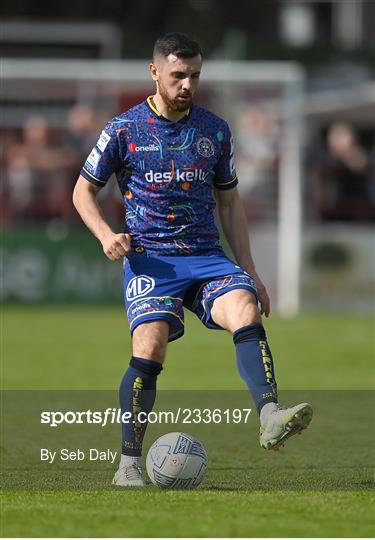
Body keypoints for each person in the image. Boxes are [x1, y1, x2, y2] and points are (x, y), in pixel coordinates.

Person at [73, 32, 313, 487]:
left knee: (244, 308)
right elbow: (82, 191)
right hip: (152, 260)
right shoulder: (122, 130)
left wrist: (250, 269)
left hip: (206, 257)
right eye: (179, 75)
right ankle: (127, 466)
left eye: (195, 76)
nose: (187, 85)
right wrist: (106, 235)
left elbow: (229, 204)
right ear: (155, 72)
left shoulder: (214, 129)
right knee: (149, 345)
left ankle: (270, 416)